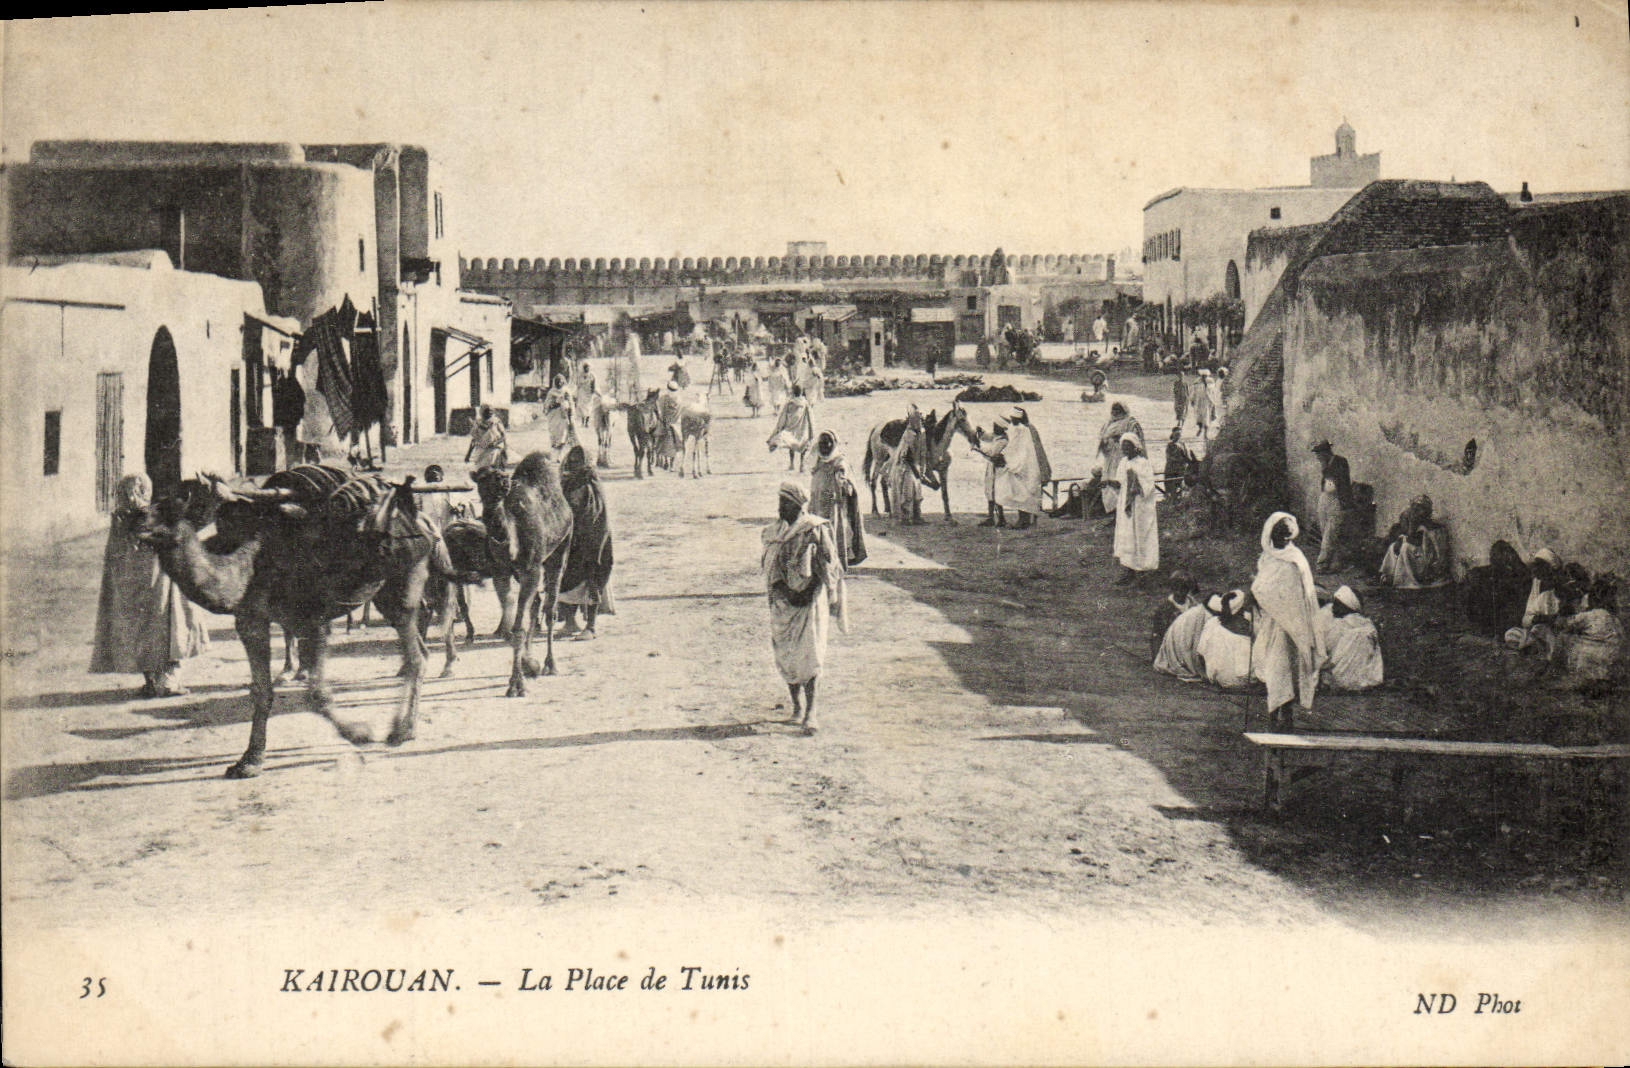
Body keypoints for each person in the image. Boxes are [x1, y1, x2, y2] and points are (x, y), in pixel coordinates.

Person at [90, 473, 210, 698]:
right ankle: (167, 683)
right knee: (171, 627)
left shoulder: (119, 517)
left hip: (129, 587)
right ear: (143, 490)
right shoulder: (150, 516)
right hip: (159, 583)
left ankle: (152, 681)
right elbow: (176, 536)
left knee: (140, 633)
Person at [762, 482, 848, 733]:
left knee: (810, 656)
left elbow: (829, 567)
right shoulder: (772, 532)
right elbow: (769, 568)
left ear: (799, 505)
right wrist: (785, 591)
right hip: (782, 603)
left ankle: (811, 712)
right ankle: (796, 707)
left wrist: (807, 592)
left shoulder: (815, 529)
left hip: (810, 602)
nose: (781, 507)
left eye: (786, 503)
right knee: (787, 656)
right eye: (779, 501)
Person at [1250, 512, 1325, 730]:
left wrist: (1258, 591)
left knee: (1287, 670)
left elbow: (1297, 593)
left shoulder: (1295, 559)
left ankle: (1287, 715)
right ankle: (1274, 715)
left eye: (1286, 536)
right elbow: (1264, 587)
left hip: (1292, 625)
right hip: (1272, 623)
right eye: (1278, 535)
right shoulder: (1266, 557)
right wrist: (1256, 594)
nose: (1282, 540)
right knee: (1274, 668)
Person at [555, 445, 615, 640]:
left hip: (592, 542)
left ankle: (591, 626)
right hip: (572, 541)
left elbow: (592, 516)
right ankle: (570, 622)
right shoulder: (567, 483)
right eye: (570, 461)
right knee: (567, 580)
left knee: (591, 581)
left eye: (576, 462)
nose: (571, 465)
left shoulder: (591, 485)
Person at [1533, 576, 1623, 690]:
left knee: (1562, 637)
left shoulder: (1592, 615)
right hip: (1609, 661)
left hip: (1591, 660)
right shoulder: (1614, 618)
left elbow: (1563, 623)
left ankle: (1552, 671)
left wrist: (1543, 617)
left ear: (1593, 598)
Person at [809, 430, 867, 566]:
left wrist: (843, 483)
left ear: (834, 444)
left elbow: (849, 487)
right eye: (822, 442)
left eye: (828, 442)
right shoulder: (818, 461)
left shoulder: (840, 462)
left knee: (835, 533)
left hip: (834, 507)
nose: (825, 445)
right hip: (817, 505)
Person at [1112, 433, 1160, 583]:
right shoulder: (1123, 463)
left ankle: (1143, 571)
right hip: (1126, 506)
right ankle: (1128, 570)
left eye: (1128, 446)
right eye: (1123, 447)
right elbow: (1119, 483)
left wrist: (1136, 483)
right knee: (1127, 537)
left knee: (1141, 536)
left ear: (1135, 447)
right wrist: (1110, 483)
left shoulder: (1143, 463)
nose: (1125, 449)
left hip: (1140, 506)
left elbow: (1149, 486)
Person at [1317, 586, 1384, 691]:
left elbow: (1326, 651)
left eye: (1337, 605)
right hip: (1366, 678)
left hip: (1339, 676)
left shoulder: (1340, 625)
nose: (1333, 608)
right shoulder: (1368, 625)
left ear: (1347, 607)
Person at [1378, 495, 1452, 588]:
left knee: (1405, 548)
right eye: (1414, 508)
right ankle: (1391, 575)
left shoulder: (1431, 527)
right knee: (1394, 546)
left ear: (1427, 511)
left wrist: (1411, 526)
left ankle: (1406, 581)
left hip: (1428, 563)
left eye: (1419, 509)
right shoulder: (1419, 524)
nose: (1415, 512)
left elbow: (1414, 541)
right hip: (1420, 556)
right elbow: (1410, 537)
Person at [1462, 539, 1531, 636]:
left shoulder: (1520, 572)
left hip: (1509, 611)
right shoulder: (1486, 572)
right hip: (1493, 612)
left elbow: (1521, 579)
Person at [988, 406, 1042, 529]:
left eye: (1013, 419)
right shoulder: (1017, 428)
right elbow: (1013, 447)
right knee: (1020, 493)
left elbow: (1019, 448)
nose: (1012, 421)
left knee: (1022, 492)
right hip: (1020, 464)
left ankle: (1023, 521)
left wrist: (1006, 458)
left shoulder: (1021, 430)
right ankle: (1023, 520)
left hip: (1023, 465)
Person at [1310, 440, 1354, 573]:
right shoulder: (1324, 464)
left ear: (1325, 452)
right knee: (1326, 531)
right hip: (1325, 497)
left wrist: (1345, 503)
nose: (1317, 457)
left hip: (1336, 499)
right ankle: (1336, 563)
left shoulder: (1340, 461)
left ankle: (1322, 564)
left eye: (1319, 453)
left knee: (1330, 532)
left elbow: (1342, 482)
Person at [1506, 548, 1564, 649]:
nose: (1535, 569)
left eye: (1539, 565)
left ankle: (1535, 646)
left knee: (1544, 632)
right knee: (1511, 634)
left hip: (1553, 631)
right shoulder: (1536, 584)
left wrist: (1552, 619)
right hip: (1535, 629)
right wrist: (1535, 619)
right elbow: (1526, 619)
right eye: (1535, 565)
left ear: (1549, 568)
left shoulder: (1559, 588)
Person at [1152, 572, 1207, 679]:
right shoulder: (1165, 609)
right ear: (1172, 588)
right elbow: (1157, 634)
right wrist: (1156, 656)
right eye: (1176, 588)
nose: (1180, 592)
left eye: (1184, 589)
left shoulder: (1194, 605)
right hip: (1171, 644)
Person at [1197, 590, 1256, 690]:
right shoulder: (1247, 627)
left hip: (1218, 678)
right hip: (1242, 681)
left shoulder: (1212, 623)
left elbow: (1200, 653)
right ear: (1241, 609)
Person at [1096, 401, 1143, 513]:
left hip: (1123, 456)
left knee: (1122, 480)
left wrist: (1122, 439)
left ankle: (1123, 507)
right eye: (1114, 410)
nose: (1115, 413)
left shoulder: (1130, 423)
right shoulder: (1108, 424)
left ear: (1123, 411)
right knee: (1109, 482)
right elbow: (1102, 439)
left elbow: (1136, 440)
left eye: (1118, 410)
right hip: (1110, 457)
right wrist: (1105, 443)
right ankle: (1112, 510)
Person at [888, 408, 927, 526]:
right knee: (907, 493)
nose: (919, 421)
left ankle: (917, 516)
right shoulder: (909, 434)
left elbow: (923, 452)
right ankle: (905, 517)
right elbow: (905, 454)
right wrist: (915, 469)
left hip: (916, 465)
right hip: (906, 466)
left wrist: (922, 469)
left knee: (918, 493)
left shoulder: (922, 433)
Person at [767, 383, 814, 472]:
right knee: (803, 445)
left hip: (791, 427)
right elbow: (810, 417)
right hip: (802, 428)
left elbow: (783, 417)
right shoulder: (805, 403)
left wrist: (779, 428)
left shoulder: (789, 403)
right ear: (801, 392)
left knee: (791, 444)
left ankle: (792, 464)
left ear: (793, 392)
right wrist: (812, 431)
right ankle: (802, 465)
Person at [975, 420, 1007, 527]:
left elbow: (991, 452)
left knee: (994, 492)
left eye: (995, 426)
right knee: (990, 491)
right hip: (992, 467)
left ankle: (999, 518)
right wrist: (981, 432)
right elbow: (988, 437)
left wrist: (978, 447)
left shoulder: (1002, 441)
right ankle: (993, 517)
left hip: (996, 469)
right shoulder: (998, 437)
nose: (993, 428)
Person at [542, 374, 578, 457]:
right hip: (553, 416)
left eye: (560, 382)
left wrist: (570, 413)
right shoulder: (551, 392)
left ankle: (559, 455)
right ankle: (554, 455)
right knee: (554, 435)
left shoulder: (566, 391)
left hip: (563, 416)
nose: (559, 384)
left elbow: (571, 403)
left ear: (563, 382)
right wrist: (555, 403)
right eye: (557, 382)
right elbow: (547, 404)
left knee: (562, 435)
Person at [465, 405, 507, 470]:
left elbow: (503, 436)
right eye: (487, 411)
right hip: (481, 451)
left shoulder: (496, 422)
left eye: (491, 411)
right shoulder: (478, 423)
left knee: (494, 470)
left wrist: (497, 443)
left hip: (494, 450)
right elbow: (474, 440)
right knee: (481, 470)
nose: (489, 413)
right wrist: (468, 455)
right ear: (482, 412)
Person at [1164, 427, 1197, 499]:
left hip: (1182, 468)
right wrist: (1179, 460)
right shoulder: (1170, 445)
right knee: (1173, 487)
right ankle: (1173, 499)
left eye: (1179, 434)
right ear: (1173, 434)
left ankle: (1180, 499)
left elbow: (1188, 455)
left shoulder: (1183, 444)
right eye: (1177, 434)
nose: (1178, 436)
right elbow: (1169, 457)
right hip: (1172, 469)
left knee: (1182, 485)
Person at [1191, 369, 1215, 440]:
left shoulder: (1210, 383)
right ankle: (1200, 429)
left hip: (1207, 403)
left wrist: (1213, 402)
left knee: (1206, 418)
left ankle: (1205, 434)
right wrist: (1192, 400)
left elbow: (1212, 393)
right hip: (1199, 403)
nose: (1204, 377)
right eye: (1203, 376)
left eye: (1205, 376)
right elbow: (1193, 392)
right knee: (1199, 417)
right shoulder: (1197, 383)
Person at [575, 361, 598, 428]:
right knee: (582, 407)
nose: (586, 369)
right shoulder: (580, 375)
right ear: (583, 368)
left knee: (588, 408)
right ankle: (582, 422)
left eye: (588, 368)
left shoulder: (592, 375)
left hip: (589, 393)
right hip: (582, 392)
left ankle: (587, 423)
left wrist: (593, 390)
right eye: (585, 367)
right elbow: (578, 384)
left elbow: (593, 384)